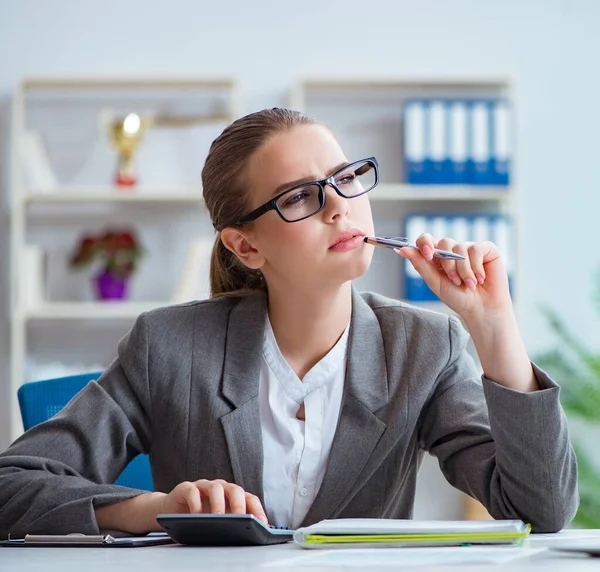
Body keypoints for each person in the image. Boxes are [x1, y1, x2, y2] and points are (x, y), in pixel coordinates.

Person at [0, 108, 578, 539]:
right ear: (245, 245)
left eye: (346, 177)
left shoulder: (425, 347)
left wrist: (494, 326)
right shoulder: (170, 347)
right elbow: (12, 486)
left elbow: (541, 508)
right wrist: (151, 508)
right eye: (300, 196)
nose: (338, 206)